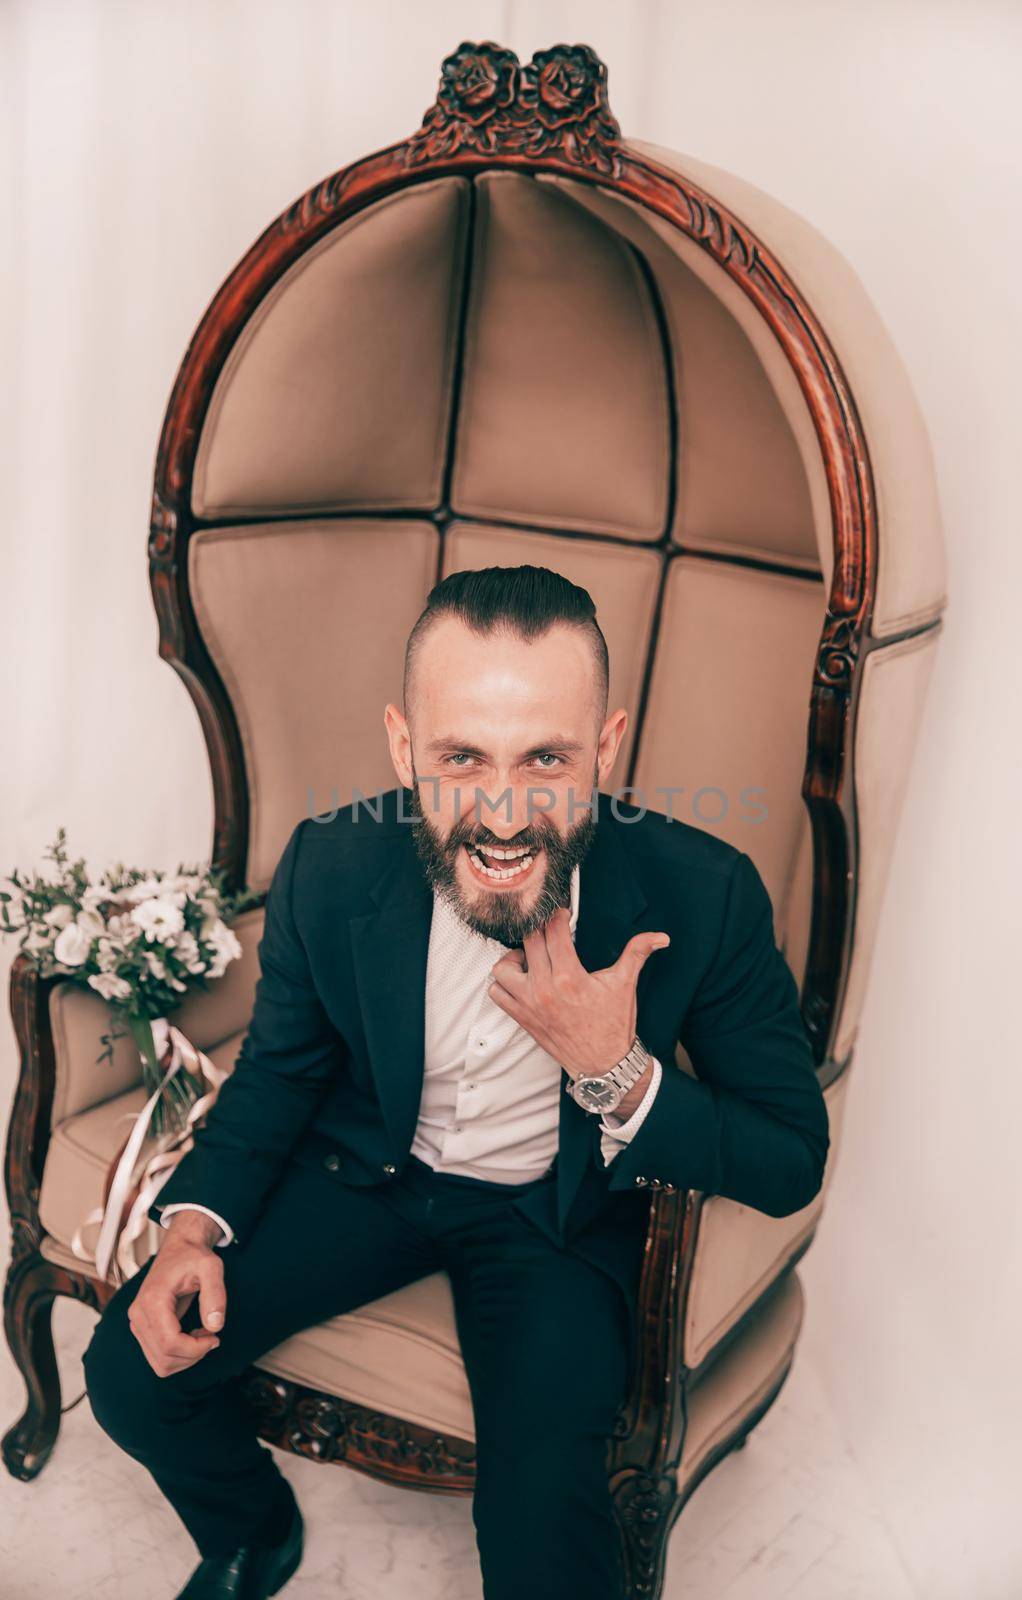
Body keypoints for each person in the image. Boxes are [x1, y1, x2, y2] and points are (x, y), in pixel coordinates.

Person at [82, 564, 830, 1599]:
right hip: (372, 1175)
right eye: (460, 757)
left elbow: (790, 1159)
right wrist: (188, 1229)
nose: (504, 812)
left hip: (553, 1225)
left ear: (606, 748)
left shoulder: (706, 893)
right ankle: (254, 1533)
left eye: (547, 758)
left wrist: (613, 1070)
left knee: (546, 1547)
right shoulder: (330, 863)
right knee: (128, 1372)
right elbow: (281, 1071)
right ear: (403, 746)